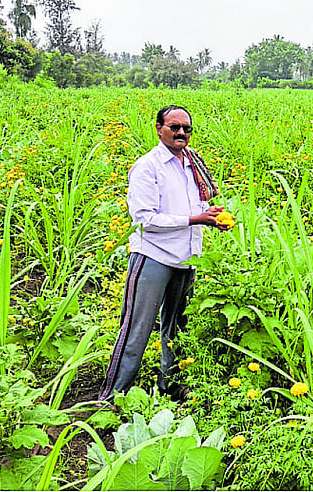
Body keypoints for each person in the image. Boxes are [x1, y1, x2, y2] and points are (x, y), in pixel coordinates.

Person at [98, 105, 230, 403]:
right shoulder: (148, 167)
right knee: (137, 328)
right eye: (174, 127)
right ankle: (111, 397)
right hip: (153, 257)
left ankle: (171, 386)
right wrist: (195, 220)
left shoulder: (191, 164)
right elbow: (144, 219)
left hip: (186, 257)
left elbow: (189, 207)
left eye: (186, 128)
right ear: (159, 129)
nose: (182, 132)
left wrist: (210, 215)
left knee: (178, 327)